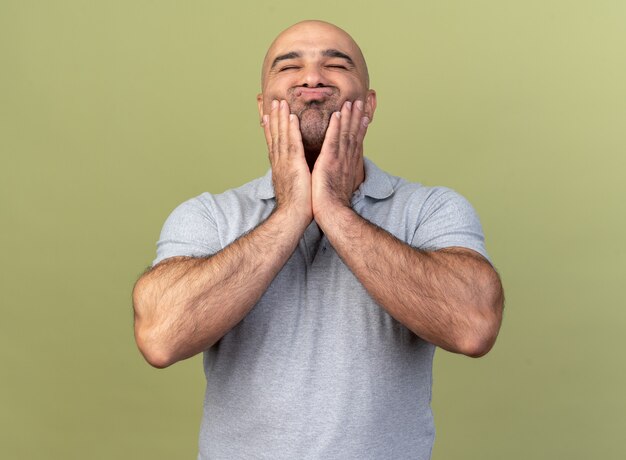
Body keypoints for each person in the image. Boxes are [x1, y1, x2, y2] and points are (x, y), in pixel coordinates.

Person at [132, 19, 504, 460]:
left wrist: (334, 210)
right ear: (262, 106)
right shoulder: (209, 216)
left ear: (368, 105)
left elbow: (474, 327)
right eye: (289, 67)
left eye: (335, 64)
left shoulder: (430, 209)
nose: (312, 78)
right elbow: (161, 336)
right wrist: (291, 211)